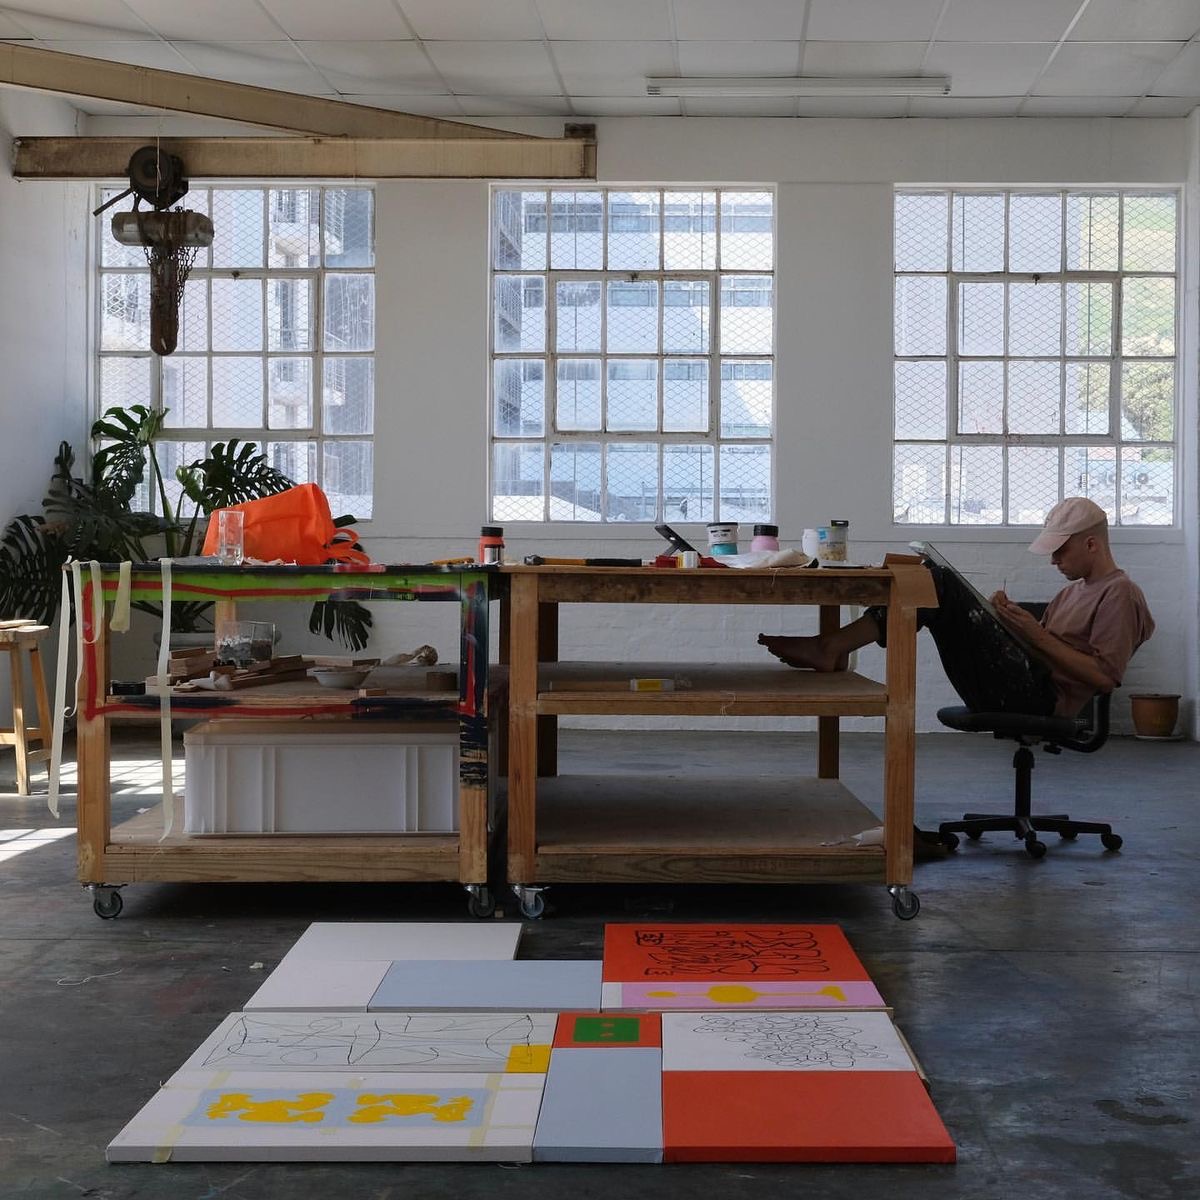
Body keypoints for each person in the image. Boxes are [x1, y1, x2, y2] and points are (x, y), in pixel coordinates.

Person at [759, 497, 1155, 720]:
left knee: (939, 583)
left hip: (1043, 701)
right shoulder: (1072, 593)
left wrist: (1032, 633)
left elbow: (1103, 678)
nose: (1053, 562)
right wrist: (1012, 622)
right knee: (933, 580)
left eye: (1060, 551)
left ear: (1091, 544)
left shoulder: (1121, 593)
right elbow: (1041, 646)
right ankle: (832, 647)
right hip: (1022, 681)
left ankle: (831, 648)